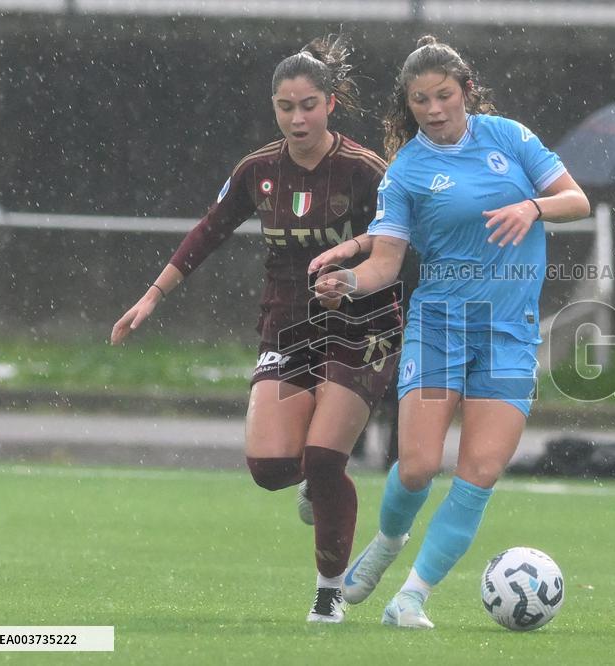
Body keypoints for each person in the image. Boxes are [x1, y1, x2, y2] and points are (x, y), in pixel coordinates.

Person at [109, 35, 402, 622]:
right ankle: (315, 483)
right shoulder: (257, 171)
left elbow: (401, 246)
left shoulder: (367, 171)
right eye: (286, 107)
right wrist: (151, 296)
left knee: (324, 456)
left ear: (331, 105)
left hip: (360, 324)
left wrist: (355, 281)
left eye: (309, 105)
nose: (298, 118)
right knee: (270, 469)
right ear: (274, 107)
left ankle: (329, 593)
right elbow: (208, 231)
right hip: (287, 327)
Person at [308, 35, 590, 629]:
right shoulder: (407, 169)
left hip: (509, 334)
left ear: (466, 91)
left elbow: (577, 200)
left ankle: (411, 596)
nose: (434, 109)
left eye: (443, 95)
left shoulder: (509, 137)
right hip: (439, 327)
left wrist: (532, 208)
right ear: (406, 105)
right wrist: (346, 283)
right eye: (420, 101)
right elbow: (385, 264)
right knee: (417, 467)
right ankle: (385, 546)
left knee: (480, 472)